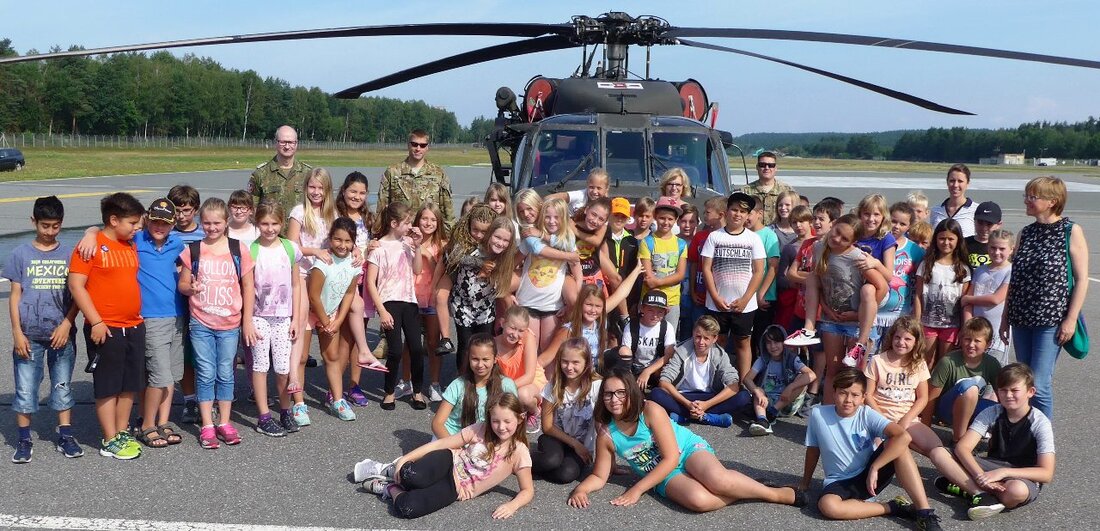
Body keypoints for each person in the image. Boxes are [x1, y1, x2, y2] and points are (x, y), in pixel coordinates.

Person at [568, 366, 803, 513]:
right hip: (660, 475)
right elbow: (600, 475)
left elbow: (671, 457)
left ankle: (775, 494)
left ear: (631, 393)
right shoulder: (607, 434)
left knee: (718, 480)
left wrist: (637, 490)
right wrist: (581, 490)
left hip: (686, 449)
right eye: (608, 394)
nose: (614, 399)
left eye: (621, 392)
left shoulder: (649, 410)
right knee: (699, 501)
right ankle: (745, 486)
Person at [76, 198, 189, 448]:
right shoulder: (135, 239)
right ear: (147, 219)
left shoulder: (177, 244)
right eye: (155, 221)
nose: (159, 226)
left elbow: (189, 266)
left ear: (173, 225)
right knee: (156, 374)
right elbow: (107, 228)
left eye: (166, 223)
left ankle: (162, 420)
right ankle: (146, 423)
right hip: (147, 317)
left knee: (168, 373)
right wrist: (90, 232)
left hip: (174, 315)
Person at [799, 367, 942, 530]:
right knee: (827, 506)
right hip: (839, 481)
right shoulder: (818, 414)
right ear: (834, 392)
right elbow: (813, 450)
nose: (848, 400)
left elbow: (904, 436)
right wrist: (805, 482)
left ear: (863, 398)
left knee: (898, 444)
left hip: (869, 476)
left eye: (855, 395)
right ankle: (893, 507)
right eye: (843, 393)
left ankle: (924, 512)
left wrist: (875, 467)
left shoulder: (866, 413)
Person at [358, 392, 534, 520]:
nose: (501, 427)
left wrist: (512, 506)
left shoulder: (519, 451)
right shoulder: (481, 428)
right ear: (489, 419)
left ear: (520, 419)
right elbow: (442, 443)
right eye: (495, 421)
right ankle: (390, 469)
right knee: (409, 475)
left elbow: (527, 490)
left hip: (457, 488)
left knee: (408, 508)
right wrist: (406, 458)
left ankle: (389, 488)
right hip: (448, 461)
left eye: (507, 421)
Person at [864, 317, 981, 504]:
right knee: (876, 453)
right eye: (898, 337)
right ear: (891, 337)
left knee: (938, 451)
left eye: (907, 339)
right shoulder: (878, 361)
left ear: (916, 342)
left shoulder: (918, 364)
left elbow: (923, 398)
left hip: (908, 419)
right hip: (880, 419)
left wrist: (906, 419)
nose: (901, 342)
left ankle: (977, 492)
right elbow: (868, 395)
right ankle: (866, 491)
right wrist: (883, 420)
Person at [68, 192, 146, 460]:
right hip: (105, 328)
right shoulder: (90, 247)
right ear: (114, 220)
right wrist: (97, 321)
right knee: (107, 385)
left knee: (128, 385)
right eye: (133, 223)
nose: (137, 228)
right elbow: (76, 286)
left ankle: (122, 431)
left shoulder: (129, 244)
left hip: (134, 325)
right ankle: (109, 438)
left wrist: (91, 228)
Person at [1003, 176, 1088, 420]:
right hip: (1021, 318)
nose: (1027, 200)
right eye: (1027, 195)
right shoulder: (1025, 233)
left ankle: (1042, 443)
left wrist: (1070, 319)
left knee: (1039, 383)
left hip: (1051, 320)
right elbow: (1015, 279)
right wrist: (1005, 317)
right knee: (1023, 380)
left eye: (1033, 196)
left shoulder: (1070, 231)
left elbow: (1081, 279)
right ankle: (1025, 433)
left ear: (1053, 201)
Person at [178, 198, 257, 448]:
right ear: (201, 222)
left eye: (217, 223)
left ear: (226, 223)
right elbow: (182, 284)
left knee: (225, 373)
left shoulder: (238, 249)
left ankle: (224, 421)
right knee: (205, 372)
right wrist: (191, 289)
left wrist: (247, 322)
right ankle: (207, 425)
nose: (212, 227)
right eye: (207, 223)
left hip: (230, 323)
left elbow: (248, 287)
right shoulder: (193, 250)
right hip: (201, 322)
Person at [7, 196, 81, 462]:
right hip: (29, 335)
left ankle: (65, 435)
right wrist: (17, 332)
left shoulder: (70, 255)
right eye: (45, 226)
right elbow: (15, 295)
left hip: (60, 334)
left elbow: (77, 295)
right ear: (33, 222)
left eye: (55, 226)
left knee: (61, 386)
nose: (50, 232)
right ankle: (24, 439)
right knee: (26, 389)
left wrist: (67, 323)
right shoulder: (20, 254)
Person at [799, 214, 887, 404]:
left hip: (857, 323)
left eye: (844, 239)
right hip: (833, 320)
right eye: (837, 232)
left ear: (853, 242)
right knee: (833, 371)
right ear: (833, 225)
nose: (837, 239)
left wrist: (859, 314)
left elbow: (882, 286)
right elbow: (819, 283)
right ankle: (829, 417)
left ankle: (854, 421)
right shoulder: (818, 247)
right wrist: (825, 307)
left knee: (855, 376)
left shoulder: (857, 257)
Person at [952, 363, 1055, 520]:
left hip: (1022, 475)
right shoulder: (991, 412)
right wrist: (980, 475)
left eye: (1014, 390)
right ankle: (981, 493)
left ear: (1030, 392)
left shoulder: (1040, 422)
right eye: (1003, 390)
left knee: (1016, 491)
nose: (1008, 395)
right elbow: (962, 448)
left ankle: (965, 487)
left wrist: (1004, 472)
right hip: (991, 466)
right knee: (941, 453)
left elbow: (1046, 473)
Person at [285, 167, 338, 426]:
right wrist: (315, 251)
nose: (316, 192)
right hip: (303, 280)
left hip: (326, 283)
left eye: (321, 188)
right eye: (312, 187)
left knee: (331, 348)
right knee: (302, 352)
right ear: (306, 188)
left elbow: (342, 242)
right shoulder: (298, 212)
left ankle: (336, 396)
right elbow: (291, 245)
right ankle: (298, 402)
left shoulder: (332, 213)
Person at [366, 202, 428, 411]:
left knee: (417, 348)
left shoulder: (408, 243)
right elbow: (370, 282)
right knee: (394, 351)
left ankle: (417, 390)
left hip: (409, 301)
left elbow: (418, 270)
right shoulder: (379, 248)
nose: (411, 226)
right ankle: (389, 392)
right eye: (407, 222)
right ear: (394, 223)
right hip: (389, 302)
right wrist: (381, 311)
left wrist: (418, 247)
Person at [248, 200, 302, 436]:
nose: (269, 228)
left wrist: (296, 318)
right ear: (257, 223)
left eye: (274, 224)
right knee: (261, 365)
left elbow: (297, 285)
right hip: (259, 316)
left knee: (282, 368)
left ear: (281, 223)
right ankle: (263, 416)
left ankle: (285, 409)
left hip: (283, 317)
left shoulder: (289, 248)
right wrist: (247, 321)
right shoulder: (251, 250)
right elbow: (247, 288)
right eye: (264, 224)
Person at [701, 192, 765, 379]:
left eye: (743, 211)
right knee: (717, 341)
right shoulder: (714, 237)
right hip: (717, 303)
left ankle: (745, 384)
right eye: (734, 210)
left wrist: (745, 299)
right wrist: (714, 296)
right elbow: (706, 268)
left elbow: (758, 271)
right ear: (726, 212)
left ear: (747, 216)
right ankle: (715, 379)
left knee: (742, 343)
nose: (738, 214)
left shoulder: (753, 239)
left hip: (745, 305)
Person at [306, 218, 365, 420]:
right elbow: (313, 295)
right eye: (338, 240)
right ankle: (296, 404)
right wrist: (324, 321)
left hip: (331, 314)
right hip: (308, 312)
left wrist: (337, 321)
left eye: (348, 241)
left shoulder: (354, 265)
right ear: (330, 239)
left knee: (332, 357)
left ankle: (338, 400)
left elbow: (349, 294)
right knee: (301, 358)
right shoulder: (323, 262)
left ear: (353, 242)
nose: (342, 245)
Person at [650, 316, 751, 428]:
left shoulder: (720, 355)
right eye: (698, 336)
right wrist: (687, 404)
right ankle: (708, 417)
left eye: (706, 338)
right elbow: (664, 381)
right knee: (656, 393)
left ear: (715, 338)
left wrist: (706, 405)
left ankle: (685, 416)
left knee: (744, 396)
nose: (701, 342)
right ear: (693, 333)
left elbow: (734, 385)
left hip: (709, 397)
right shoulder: (682, 350)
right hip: (684, 397)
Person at [433, 205, 499, 362]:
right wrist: (479, 263)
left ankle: (482, 379)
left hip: (485, 306)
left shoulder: (493, 245)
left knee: (484, 345)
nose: (478, 235)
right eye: (475, 229)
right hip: (463, 305)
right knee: (465, 346)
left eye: (484, 232)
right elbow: (456, 257)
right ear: (468, 224)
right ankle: (463, 379)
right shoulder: (462, 241)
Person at [516, 198, 583, 351]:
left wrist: (570, 304)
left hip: (552, 305)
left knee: (548, 351)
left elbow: (577, 272)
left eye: (556, 217)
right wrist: (509, 294)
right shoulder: (531, 236)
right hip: (527, 302)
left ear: (564, 218)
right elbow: (513, 262)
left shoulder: (568, 239)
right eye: (547, 217)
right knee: (529, 350)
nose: (552, 221)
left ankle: (547, 377)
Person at [533, 338, 602, 484]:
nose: (569, 367)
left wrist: (609, 461)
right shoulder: (554, 385)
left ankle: (546, 468)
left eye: (575, 362)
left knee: (566, 475)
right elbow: (547, 426)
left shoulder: (597, 386)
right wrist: (574, 444)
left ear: (587, 363)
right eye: (565, 361)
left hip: (582, 445)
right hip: (556, 437)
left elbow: (602, 426)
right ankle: (522, 463)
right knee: (550, 461)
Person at [923, 317, 1002, 443]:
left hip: (972, 407)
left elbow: (1002, 395)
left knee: (1008, 405)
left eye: (977, 341)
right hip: (946, 409)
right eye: (967, 339)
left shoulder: (992, 363)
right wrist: (925, 429)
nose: (971, 345)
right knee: (970, 389)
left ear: (988, 344)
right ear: (960, 339)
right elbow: (931, 398)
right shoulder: (948, 361)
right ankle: (959, 439)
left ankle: (1000, 444)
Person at [431, 334, 518, 438]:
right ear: (468, 358)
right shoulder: (458, 385)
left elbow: (513, 419)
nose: (480, 365)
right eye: (475, 359)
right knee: (436, 453)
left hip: (488, 438)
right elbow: (437, 424)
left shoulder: (506, 385)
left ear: (495, 359)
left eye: (485, 359)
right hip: (452, 435)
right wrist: (454, 447)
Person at [167, 184, 204, 424]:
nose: (182, 216)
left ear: (196, 210)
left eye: (187, 210)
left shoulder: (206, 233)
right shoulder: (164, 233)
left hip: (202, 304)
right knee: (182, 353)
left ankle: (207, 399)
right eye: (177, 211)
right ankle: (189, 399)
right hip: (174, 302)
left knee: (202, 354)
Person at [915, 219, 971, 369]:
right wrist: (917, 322)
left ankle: (941, 393)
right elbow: (918, 295)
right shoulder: (926, 265)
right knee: (926, 362)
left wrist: (963, 328)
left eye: (950, 239)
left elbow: (964, 301)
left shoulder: (963, 269)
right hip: (927, 323)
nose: (946, 242)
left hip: (952, 325)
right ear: (936, 239)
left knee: (944, 363)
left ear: (958, 240)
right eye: (942, 238)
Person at [377, 128, 455, 233]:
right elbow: (382, 208)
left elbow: (447, 210)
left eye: (422, 145)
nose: (418, 148)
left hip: (428, 237)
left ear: (427, 147)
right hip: (400, 235)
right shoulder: (393, 172)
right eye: (414, 144)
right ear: (408, 145)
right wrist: (378, 235)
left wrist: (447, 238)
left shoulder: (438, 174)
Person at [742, 324, 815, 436]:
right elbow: (747, 379)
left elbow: (811, 375)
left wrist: (790, 387)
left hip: (786, 401)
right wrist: (757, 391)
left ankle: (772, 414)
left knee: (802, 378)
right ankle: (763, 420)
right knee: (758, 390)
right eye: (769, 343)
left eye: (776, 342)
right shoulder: (763, 359)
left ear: (784, 342)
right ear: (764, 344)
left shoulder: (792, 358)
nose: (773, 346)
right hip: (766, 401)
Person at [411, 203, 447, 401]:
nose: (428, 223)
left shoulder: (442, 245)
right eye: (425, 218)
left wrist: (427, 255)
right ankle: (406, 380)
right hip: (412, 297)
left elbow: (440, 271)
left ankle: (434, 383)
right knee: (411, 344)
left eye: (433, 220)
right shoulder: (408, 241)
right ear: (417, 220)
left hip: (432, 299)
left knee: (433, 343)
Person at [962, 229, 1013, 365]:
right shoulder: (980, 270)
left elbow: (996, 299)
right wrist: (968, 325)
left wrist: (969, 299)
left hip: (997, 333)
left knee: (994, 372)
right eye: (993, 248)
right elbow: (967, 302)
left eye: (1002, 249)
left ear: (1011, 250)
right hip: (975, 333)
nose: (997, 252)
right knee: (973, 369)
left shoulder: (1011, 271)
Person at [638, 197, 688, 329]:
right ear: (655, 217)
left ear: (676, 220)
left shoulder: (681, 244)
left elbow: (680, 274)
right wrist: (658, 299)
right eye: (662, 218)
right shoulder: (647, 242)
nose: (666, 222)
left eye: (670, 219)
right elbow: (648, 277)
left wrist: (658, 282)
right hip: (650, 300)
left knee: (668, 341)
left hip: (672, 301)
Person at [493, 306, 545, 432]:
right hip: (506, 382)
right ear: (502, 323)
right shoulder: (493, 343)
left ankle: (535, 412)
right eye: (512, 328)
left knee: (523, 395)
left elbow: (529, 375)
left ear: (526, 330)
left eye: (521, 331)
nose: (515, 334)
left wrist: (505, 388)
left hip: (529, 382)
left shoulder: (528, 338)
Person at [612, 291, 676, 389]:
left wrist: (647, 371)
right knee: (623, 351)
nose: (655, 315)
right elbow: (625, 352)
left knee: (669, 363)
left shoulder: (667, 327)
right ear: (642, 308)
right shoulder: (632, 326)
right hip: (634, 366)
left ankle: (659, 389)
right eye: (651, 310)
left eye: (660, 312)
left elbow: (669, 354)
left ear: (665, 312)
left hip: (655, 369)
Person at [248, 125, 312, 221]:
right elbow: (252, 207)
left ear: (296, 144)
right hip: (271, 232)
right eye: (283, 142)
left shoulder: (308, 173)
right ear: (276, 143)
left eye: (290, 142)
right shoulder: (261, 174)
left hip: (300, 233)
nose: (287, 146)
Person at [748, 195, 782, 362]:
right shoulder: (742, 233)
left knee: (763, 338)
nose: (746, 216)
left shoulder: (768, 235)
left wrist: (760, 293)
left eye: (750, 212)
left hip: (764, 297)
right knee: (747, 339)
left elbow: (773, 266)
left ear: (759, 213)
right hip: (745, 296)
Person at [775, 205, 813, 331]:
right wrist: (800, 283)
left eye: (802, 221)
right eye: (794, 222)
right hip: (795, 299)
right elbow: (781, 278)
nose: (798, 225)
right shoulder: (789, 248)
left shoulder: (821, 243)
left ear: (810, 222)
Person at [741, 151, 795, 226]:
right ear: (757, 167)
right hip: (753, 234)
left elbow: (795, 214)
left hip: (779, 234)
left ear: (776, 168)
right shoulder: (745, 191)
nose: (766, 168)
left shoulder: (787, 190)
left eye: (771, 165)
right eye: (762, 165)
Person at [929, 163, 979, 238]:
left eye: (960, 181)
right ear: (947, 182)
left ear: (967, 183)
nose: (955, 185)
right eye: (952, 181)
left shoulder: (976, 210)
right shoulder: (935, 210)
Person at [965, 201, 1002, 269]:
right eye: (980, 222)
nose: (984, 228)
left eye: (989, 224)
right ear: (974, 221)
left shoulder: (1002, 247)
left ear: (999, 225)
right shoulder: (963, 244)